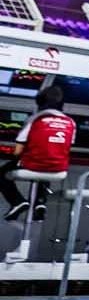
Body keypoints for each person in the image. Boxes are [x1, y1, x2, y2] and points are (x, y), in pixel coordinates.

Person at [1, 87, 74, 222]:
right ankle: (40, 203)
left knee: (2, 172)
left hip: (33, 164)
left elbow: (18, 151)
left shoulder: (34, 119)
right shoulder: (71, 122)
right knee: (46, 166)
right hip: (59, 169)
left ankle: (17, 201)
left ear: (40, 102)